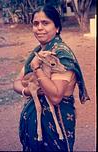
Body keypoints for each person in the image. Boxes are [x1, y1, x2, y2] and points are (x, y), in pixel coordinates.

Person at [13, 4, 90, 152]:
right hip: (33, 125)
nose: (39, 28)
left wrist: (36, 68)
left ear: (57, 28)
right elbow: (16, 82)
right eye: (36, 24)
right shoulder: (37, 52)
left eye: (45, 23)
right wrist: (29, 91)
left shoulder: (61, 55)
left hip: (56, 126)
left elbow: (55, 97)